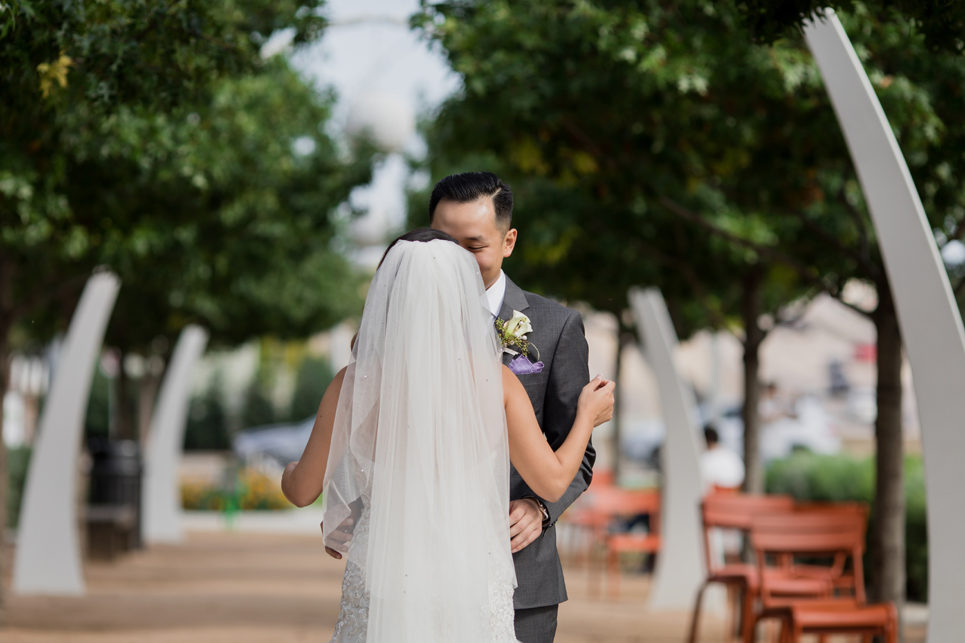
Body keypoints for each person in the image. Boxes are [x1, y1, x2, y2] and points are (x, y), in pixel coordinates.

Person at [281, 230, 614, 642]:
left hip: (384, 575)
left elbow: (300, 491)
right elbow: (552, 480)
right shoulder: (496, 383)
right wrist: (586, 416)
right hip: (467, 574)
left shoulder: (353, 383)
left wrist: (290, 470)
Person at [428, 172, 594, 642]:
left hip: (521, 574)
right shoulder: (400, 329)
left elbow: (578, 452)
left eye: (474, 245)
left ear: (508, 241)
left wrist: (540, 506)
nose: (457, 260)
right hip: (423, 568)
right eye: (443, 243)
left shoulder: (556, 327)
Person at [699, 424, 744, 490]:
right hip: (735, 491)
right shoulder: (731, 454)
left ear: (707, 441)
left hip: (717, 492)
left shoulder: (707, 457)